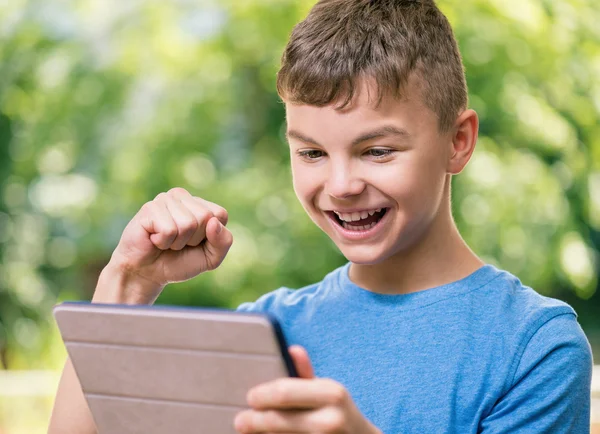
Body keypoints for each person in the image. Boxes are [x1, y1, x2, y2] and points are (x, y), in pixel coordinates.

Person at [49, 0, 593, 433]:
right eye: (311, 153)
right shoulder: (262, 334)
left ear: (457, 141)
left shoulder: (533, 346)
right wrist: (125, 284)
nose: (340, 186)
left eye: (377, 150)